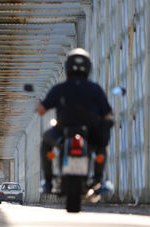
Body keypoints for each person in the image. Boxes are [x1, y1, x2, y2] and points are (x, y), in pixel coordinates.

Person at [36, 48, 113, 193]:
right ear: (88, 68)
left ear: (67, 68)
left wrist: (39, 105)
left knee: (46, 142)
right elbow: (107, 114)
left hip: (62, 132)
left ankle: (48, 181)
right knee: (101, 144)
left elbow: (42, 110)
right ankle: (98, 180)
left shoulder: (60, 89)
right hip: (89, 133)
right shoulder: (95, 89)